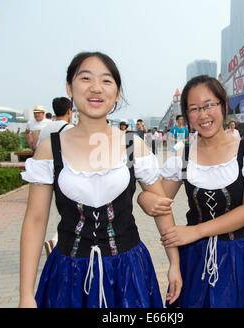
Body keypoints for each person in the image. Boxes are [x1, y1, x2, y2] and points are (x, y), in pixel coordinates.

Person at [19, 51, 181, 308]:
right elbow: (35, 219)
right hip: (67, 275)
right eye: (85, 78)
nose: (96, 87)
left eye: (107, 81)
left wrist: (174, 263)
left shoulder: (132, 145)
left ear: (117, 94)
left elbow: (162, 209)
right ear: (69, 88)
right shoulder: (51, 148)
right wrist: (26, 294)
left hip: (128, 273)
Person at [138, 75, 244, 308]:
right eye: (194, 108)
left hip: (238, 258)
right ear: (186, 115)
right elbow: (159, 200)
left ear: (223, 105)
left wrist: (196, 231)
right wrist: (143, 197)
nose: (203, 115)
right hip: (194, 259)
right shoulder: (183, 156)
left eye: (209, 105)